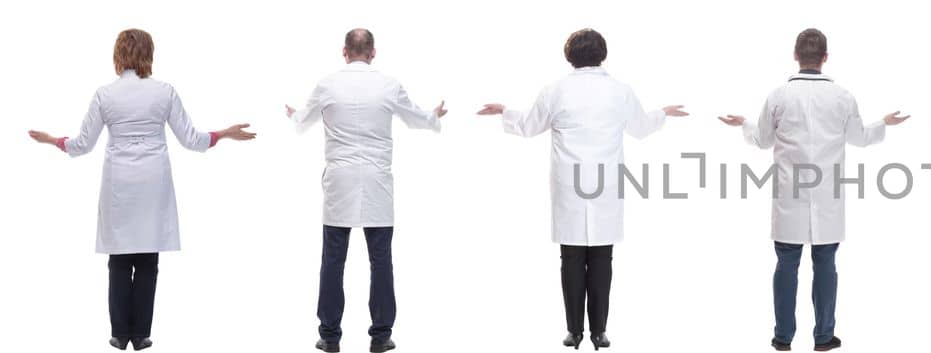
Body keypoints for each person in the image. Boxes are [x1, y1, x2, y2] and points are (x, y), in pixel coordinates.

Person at [25, 28, 256, 351]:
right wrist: (224, 134)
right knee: (147, 258)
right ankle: (141, 334)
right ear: (150, 54)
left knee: (119, 259)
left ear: (117, 55)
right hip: (153, 180)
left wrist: (53, 141)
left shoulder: (105, 95)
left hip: (119, 182)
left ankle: (120, 333)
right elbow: (192, 139)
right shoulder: (164, 92)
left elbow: (82, 145)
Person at [475, 28, 689, 351]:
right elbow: (641, 128)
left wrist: (505, 112)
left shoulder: (556, 91)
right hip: (604, 186)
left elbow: (529, 126)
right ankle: (599, 332)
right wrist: (663, 114)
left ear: (570, 56)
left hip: (569, 186)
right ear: (602, 54)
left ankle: (574, 331)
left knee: (571, 258)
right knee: (603, 258)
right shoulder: (620, 91)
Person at [717, 27, 910, 352]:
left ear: (795, 56)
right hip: (826, 197)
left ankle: (783, 337)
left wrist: (745, 126)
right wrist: (883, 124)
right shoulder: (842, 97)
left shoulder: (779, 95)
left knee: (786, 263)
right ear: (825, 58)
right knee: (825, 263)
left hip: (789, 195)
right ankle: (823, 337)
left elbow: (763, 141)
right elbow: (860, 138)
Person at [283, 28, 448, 353]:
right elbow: (416, 117)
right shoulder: (388, 84)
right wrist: (434, 116)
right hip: (376, 183)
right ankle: (381, 336)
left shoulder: (327, 84)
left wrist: (294, 116)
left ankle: (330, 337)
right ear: (373, 53)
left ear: (344, 52)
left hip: (339, 183)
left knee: (332, 260)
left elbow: (303, 122)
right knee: (381, 260)